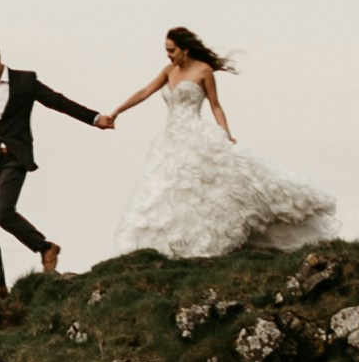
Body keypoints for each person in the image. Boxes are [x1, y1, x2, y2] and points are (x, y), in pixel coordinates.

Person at [99, 29, 337, 263]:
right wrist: (117, 111)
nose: (168, 55)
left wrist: (226, 134)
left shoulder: (204, 71)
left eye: (172, 51)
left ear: (185, 50)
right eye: (166, 51)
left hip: (195, 137)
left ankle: (204, 244)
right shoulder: (169, 71)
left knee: (202, 192)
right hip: (169, 141)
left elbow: (215, 106)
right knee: (165, 194)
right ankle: (170, 247)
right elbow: (144, 92)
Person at [0, 42, 115, 322]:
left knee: (2, 212)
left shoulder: (25, 81)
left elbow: (58, 102)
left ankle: (45, 248)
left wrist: (95, 119)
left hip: (14, 158)